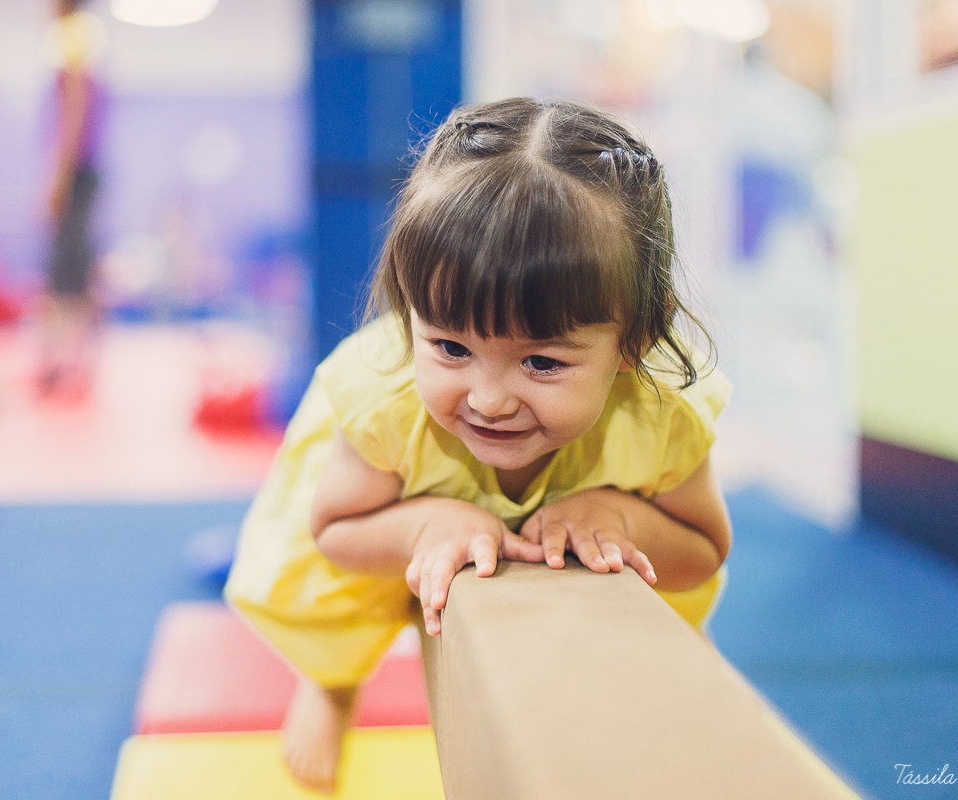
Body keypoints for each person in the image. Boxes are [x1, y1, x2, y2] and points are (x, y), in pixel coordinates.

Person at [225, 97, 733, 794]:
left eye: (542, 363)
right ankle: (332, 684)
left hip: (582, 517)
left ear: (634, 341)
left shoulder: (662, 412)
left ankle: (670, 661)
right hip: (398, 498)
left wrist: (622, 517)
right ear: (411, 313)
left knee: (660, 627)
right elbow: (336, 532)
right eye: (451, 346)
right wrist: (429, 523)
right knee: (332, 599)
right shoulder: (386, 400)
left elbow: (703, 549)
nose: (489, 400)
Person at [38, 0, 105, 398]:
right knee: (73, 266)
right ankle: (71, 359)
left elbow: (75, 104)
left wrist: (59, 177)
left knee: (67, 270)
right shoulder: (82, 33)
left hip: (76, 170)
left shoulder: (73, 32)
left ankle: (66, 360)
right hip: (82, 170)